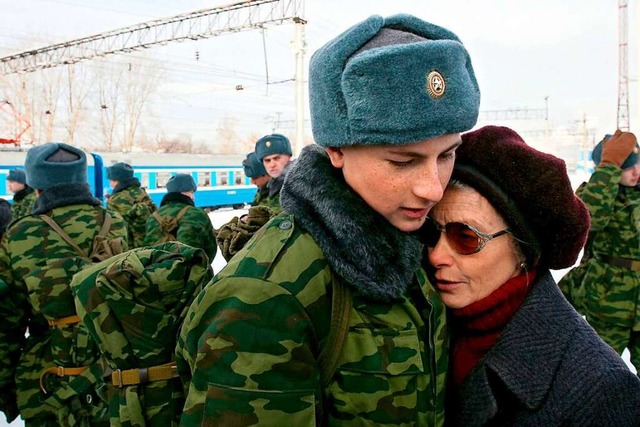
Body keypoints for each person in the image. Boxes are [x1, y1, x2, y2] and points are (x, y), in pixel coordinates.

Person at [176, 13, 480, 425]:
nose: (433, 188)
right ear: (335, 150)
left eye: (446, 155)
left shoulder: (413, 243)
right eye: (402, 161)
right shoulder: (264, 298)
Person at [421, 125, 640, 426]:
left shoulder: (599, 387)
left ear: (522, 253)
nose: (436, 255)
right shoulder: (417, 324)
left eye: (466, 237)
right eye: (431, 232)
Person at [0, 142, 129, 426]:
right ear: (81, 177)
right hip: (116, 369)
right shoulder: (115, 222)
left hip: (51, 377)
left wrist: (5, 386)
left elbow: (7, 321)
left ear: (35, 183)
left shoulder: (21, 233)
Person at [559, 130, 640, 374]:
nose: (635, 172)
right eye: (627, 168)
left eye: (637, 163)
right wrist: (609, 168)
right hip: (608, 301)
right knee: (600, 372)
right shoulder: (595, 194)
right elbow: (590, 218)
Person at [144, 173, 217, 263]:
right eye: (191, 192)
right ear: (183, 192)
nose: (193, 197)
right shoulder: (197, 214)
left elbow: (145, 249)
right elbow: (211, 248)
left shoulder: (153, 217)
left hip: (156, 273)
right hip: (192, 273)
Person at [106, 161, 157, 248]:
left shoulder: (116, 199)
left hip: (129, 248)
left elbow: (113, 229)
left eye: (112, 180)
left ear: (118, 181)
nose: (110, 184)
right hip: (147, 243)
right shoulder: (142, 192)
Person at [254, 132, 293, 213]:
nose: (272, 164)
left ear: (288, 157)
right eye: (267, 160)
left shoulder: (299, 183)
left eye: (276, 158)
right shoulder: (269, 186)